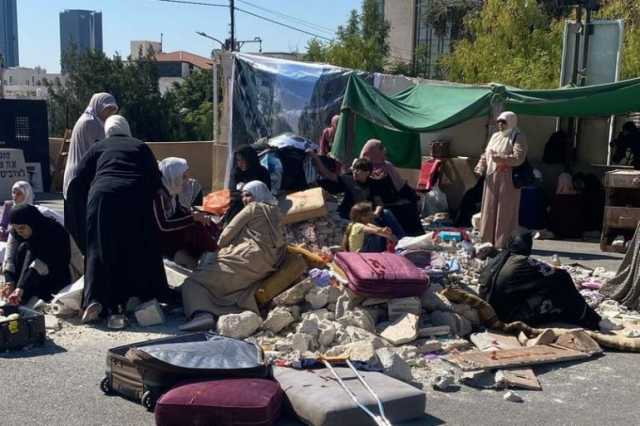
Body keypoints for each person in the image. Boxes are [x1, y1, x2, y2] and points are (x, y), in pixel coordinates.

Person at [66, 115, 172, 326]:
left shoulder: (99, 147)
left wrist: (80, 205)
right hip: (134, 196)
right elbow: (155, 178)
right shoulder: (140, 146)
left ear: (108, 130)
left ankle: (96, 300)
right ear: (126, 128)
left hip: (103, 196)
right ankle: (145, 296)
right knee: (139, 245)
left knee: (99, 248)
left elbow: (78, 177)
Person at [180, 181, 286, 332]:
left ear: (258, 194)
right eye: (243, 196)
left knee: (194, 282)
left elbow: (226, 235)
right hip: (268, 263)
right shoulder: (276, 212)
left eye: (248, 195)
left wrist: (215, 250)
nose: (245, 199)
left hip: (245, 258)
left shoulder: (253, 208)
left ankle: (201, 314)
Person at [479, 232, 605, 330]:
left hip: (488, 310)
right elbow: (560, 275)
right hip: (507, 316)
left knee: (538, 283)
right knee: (558, 286)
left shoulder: (497, 259)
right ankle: (586, 317)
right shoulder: (525, 261)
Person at [309, 151, 406, 240]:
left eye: (358, 170)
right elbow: (328, 174)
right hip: (350, 214)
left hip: (368, 214)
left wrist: (376, 213)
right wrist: (315, 157)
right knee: (373, 230)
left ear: (367, 173)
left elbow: (379, 203)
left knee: (387, 212)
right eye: (354, 169)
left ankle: (403, 239)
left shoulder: (373, 184)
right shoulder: (347, 179)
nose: (355, 172)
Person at [63, 93, 118, 243]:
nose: (110, 114)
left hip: (79, 177)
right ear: (97, 106)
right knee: (82, 228)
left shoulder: (89, 120)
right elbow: (103, 150)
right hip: (80, 179)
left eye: (113, 110)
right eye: (107, 109)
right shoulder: (91, 123)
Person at [0, 205, 73, 307]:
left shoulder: (54, 231)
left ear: (32, 223)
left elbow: (40, 264)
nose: (19, 232)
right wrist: (9, 282)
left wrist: (21, 288)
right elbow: (9, 257)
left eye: (22, 228)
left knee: (27, 247)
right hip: (29, 275)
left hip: (54, 275)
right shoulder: (16, 231)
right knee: (23, 248)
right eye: (16, 228)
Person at [475, 111, 528, 249]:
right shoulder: (495, 136)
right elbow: (487, 153)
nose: (500, 124)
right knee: (489, 210)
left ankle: (503, 243)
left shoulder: (517, 136)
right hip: (492, 177)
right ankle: (487, 242)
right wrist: (482, 164)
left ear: (511, 122)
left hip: (507, 178)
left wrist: (500, 158)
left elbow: (519, 158)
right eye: (499, 121)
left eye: (503, 122)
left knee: (505, 211)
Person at [155, 157, 218, 266]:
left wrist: (195, 215)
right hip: (161, 236)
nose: (187, 180)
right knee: (194, 229)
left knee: (205, 224)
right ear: (173, 176)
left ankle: (211, 253)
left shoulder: (172, 189)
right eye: (183, 176)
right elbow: (163, 225)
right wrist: (191, 218)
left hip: (173, 229)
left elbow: (179, 209)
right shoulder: (158, 195)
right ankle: (212, 255)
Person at [360, 139, 424, 236]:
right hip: (372, 204)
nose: (384, 151)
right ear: (373, 151)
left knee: (408, 205)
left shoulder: (386, 166)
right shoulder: (361, 167)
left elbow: (401, 187)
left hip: (387, 202)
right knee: (406, 208)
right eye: (380, 148)